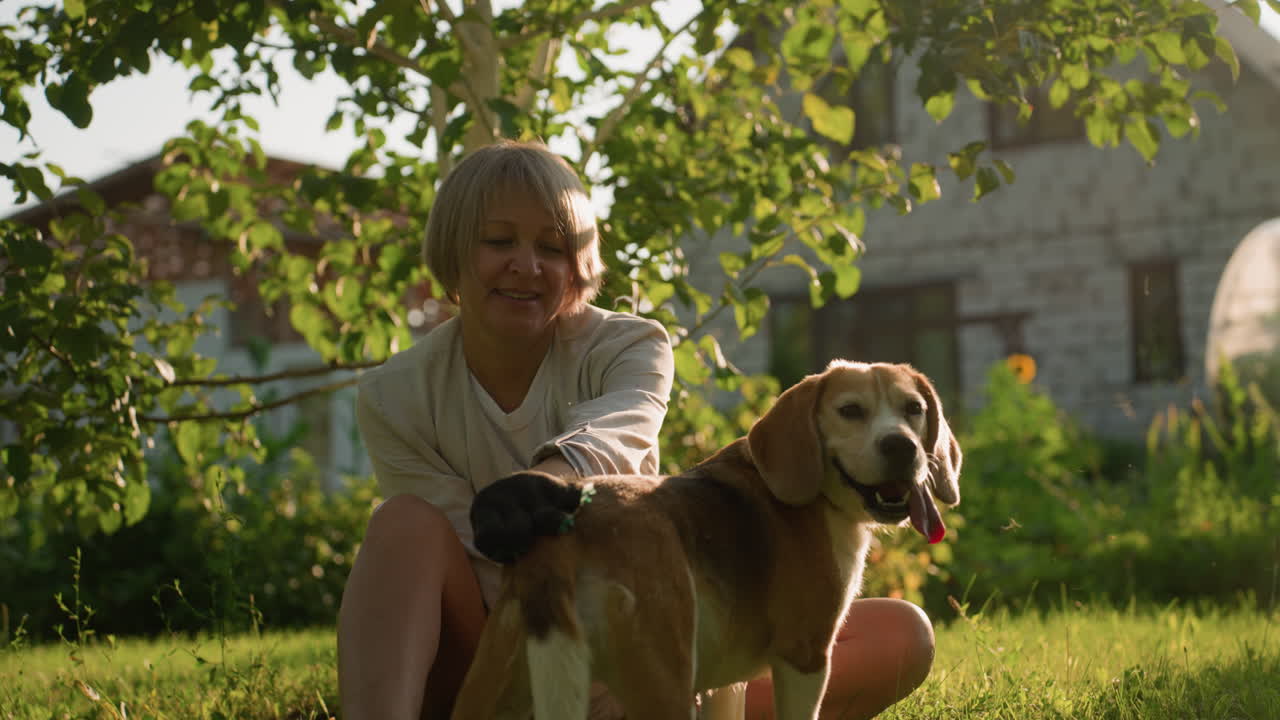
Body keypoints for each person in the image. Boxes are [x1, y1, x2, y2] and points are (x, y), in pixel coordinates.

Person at [337, 139, 935, 720]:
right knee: (404, 524)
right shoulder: (395, 395)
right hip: (492, 648)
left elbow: (615, 433)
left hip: (641, 636)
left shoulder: (631, 344)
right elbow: (474, 552)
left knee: (903, 634)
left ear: (578, 265)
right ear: (454, 256)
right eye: (498, 241)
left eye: (552, 246)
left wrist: (549, 482)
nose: (526, 264)